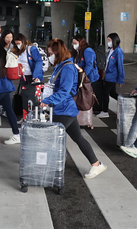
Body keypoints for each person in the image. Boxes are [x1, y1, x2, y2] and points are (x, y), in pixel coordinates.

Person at [41, 39, 107, 179]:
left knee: (52, 138)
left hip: (64, 110)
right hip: (64, 109)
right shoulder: (61, 66)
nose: (49, 56)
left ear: (58, 53)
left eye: (51, 53)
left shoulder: (67, 68)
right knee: (78, 138)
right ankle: (96, 164)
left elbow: (65, 91)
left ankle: (53, 167)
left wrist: (47, 101)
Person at [12, 33, 44, 121]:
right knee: (24, 97)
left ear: (23, 42)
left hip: (32, 76)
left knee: (34, 98)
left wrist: (36, 75)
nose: (18, 45)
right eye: (16, 44)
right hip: (24, 76)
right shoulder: (19, 50)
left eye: (19, 43)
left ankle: (34, 117)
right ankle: (25, 117)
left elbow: (39, 61)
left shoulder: (31, 49)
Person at [71, 34, 101, 112]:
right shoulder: (77, 52)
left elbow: (89, 65)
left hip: (90, 78)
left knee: (90, 94)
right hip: (82, 78)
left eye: (75, 43)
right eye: (73, 43)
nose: (74, 45)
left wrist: (83, 75)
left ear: (80, 42)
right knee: (85, 94)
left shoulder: (87, 50)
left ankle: (94, 110)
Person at [100, 33, 125, 118]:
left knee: (105, 92)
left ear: (114, 40)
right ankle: (124, 103)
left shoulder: (118, 52)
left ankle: (105, 111)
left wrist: (121, 79)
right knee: (112, 93)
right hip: (108, 75)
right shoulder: (111, 50)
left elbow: (120, 66)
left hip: (112, 76)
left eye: (109, 40)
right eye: (108, 40)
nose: (108, 42)